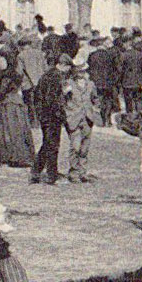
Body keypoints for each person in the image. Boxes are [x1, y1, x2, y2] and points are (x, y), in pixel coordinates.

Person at [0, 46, 35, 167]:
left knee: (10, 131)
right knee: (16, 130)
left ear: (7, 61)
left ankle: (15, 156)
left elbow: (1, 91)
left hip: (9, 104)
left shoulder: (6, 76)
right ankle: (15, 155)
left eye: (1, 61)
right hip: (16, 103)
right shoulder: (14, 73)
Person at [30, 56, 70, 185]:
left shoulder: (48, 74)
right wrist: (60, 114)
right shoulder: (56, 77)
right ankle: (51, 175)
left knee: (47, 143)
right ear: (63, 65)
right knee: (52, 145)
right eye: (68, 67)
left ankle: (36, 171)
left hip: (44, 114)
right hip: (51, 115)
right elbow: (52, 99)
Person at [63, 53, 102, 183]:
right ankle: (73, 171)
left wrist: (96, 109)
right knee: (75, 146)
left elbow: (95, 99)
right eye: (79, 70)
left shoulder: (90, 84)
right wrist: (67, 112)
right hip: (73, 118)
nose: (81, 73)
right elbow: (62, 100)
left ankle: (82, 171)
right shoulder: (68, 84)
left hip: (87, 119)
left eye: (83, 70)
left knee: (85, 147)